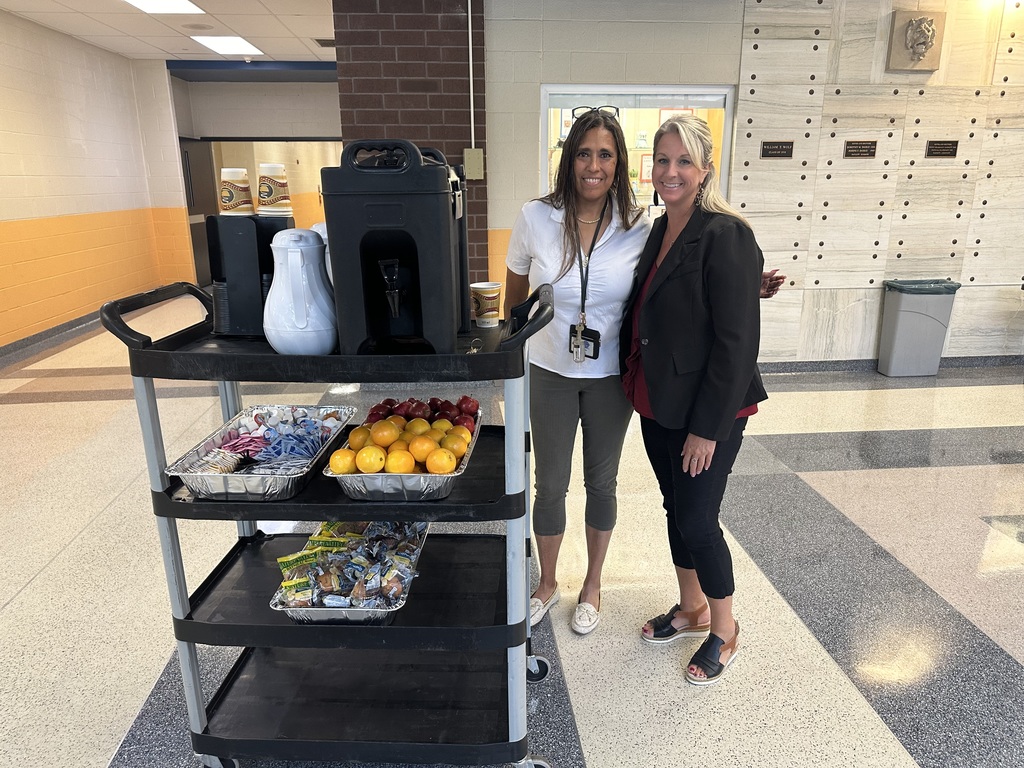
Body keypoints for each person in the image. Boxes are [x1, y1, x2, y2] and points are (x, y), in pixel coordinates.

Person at [620, 114, 768, 685]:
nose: (671, 171)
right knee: (674, 509)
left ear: (705, 170)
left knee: (700, 519)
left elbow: (737, 343)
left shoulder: (726, 233)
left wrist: (708, 429)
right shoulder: (661, 229)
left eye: (684, 161)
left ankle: (725, 628)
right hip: (659, 398)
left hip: (711, 408)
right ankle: (691, 608)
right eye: (662, 160)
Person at [504, 106, 651, 635]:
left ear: (619, 163)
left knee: (602, 483)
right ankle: (548, 582)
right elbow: (515, 289)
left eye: (605, 154)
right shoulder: (535, 217)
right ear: (569, 160)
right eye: (584, 153)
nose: (594, 164)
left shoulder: (638, 225)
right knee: (549, 485)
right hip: (548, 370)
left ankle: (592, 584)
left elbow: (674, 284)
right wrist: (511, 348)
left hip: (612, 376)